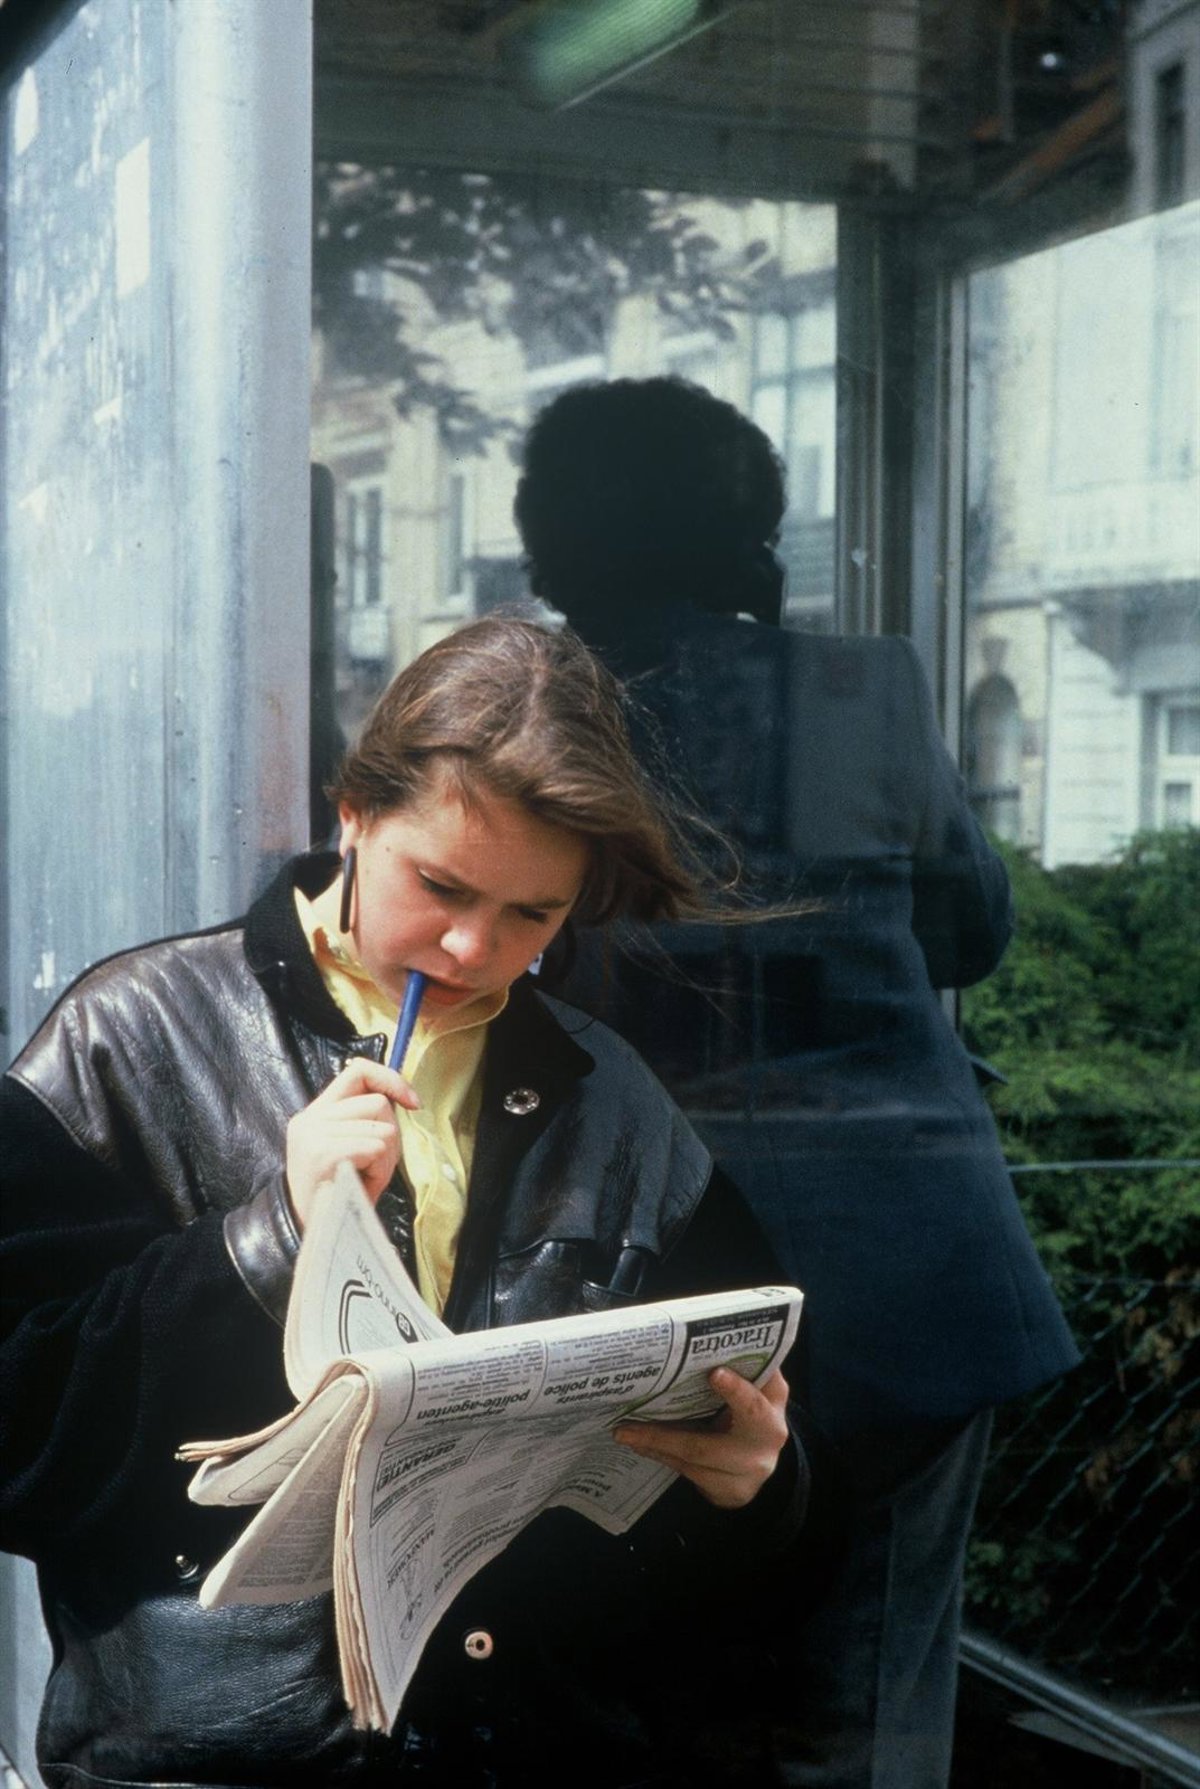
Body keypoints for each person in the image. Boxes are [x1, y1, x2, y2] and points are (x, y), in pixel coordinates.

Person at [0, 616, 821, 1789]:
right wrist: (270, 1236)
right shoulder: (126, 1037)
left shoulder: (613, 1096)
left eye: (534, 914)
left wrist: (753, 1484)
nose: (474, 945)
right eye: (439, 884)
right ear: (352, 814)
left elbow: (739, 1477)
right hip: (219, 1763)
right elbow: (21, 1439)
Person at [514, 376, 1081, 1789]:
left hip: (639, 1280)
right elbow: (970, 928)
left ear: (552, 550)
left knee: (642, 1696)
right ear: (753, 540)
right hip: (908, 1275)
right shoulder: (855, 691)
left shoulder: (533, 713)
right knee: (867, 1707)